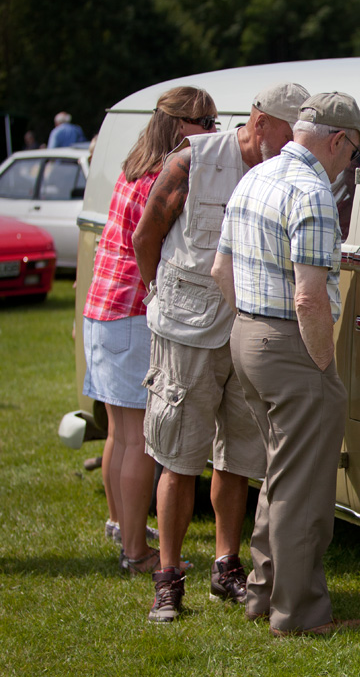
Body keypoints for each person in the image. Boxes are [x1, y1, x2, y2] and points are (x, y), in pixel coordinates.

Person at [132, 82, 310, 624]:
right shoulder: (193, 160)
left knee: (237, 457)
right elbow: (146, 236)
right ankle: (167, 579)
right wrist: (158, 295)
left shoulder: (283, 172)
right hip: (187, 331)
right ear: (258, 122)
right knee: (179, 458)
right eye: (283, 137)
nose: (289, 150)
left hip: (247, 330)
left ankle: (225, 567)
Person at [212, 92, 360, 637]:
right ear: (338, 140)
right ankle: (299, 615)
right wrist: (324, 370)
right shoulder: (312, 192)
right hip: (292, 346)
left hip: (247, 336)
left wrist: (252, 322)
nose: (349, 165)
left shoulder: (254, 176)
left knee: (279, 475)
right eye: (353, 154)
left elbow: (219, 270)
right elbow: (309, 298)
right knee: (304, 489)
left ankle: (264, 593)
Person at [84, 87, 218, 575]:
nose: (211, 132)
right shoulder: (163, 175)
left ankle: (123, 526)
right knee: (143, 439)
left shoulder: (131, 165)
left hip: (103, 309)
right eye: (205, 122)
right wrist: (156, 289)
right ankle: (137, 552)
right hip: (132, 311)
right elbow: (154, 241)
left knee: (119, 434)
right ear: (181, 125)